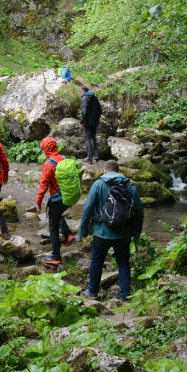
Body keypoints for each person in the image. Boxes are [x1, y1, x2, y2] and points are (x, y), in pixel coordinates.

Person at [78, 160, 144, 300]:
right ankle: (125, 295)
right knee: (123, 262)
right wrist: (136, 231)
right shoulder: (129, 185)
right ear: (118, 171)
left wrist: (83, 230)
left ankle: (92, 292)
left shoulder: (99, 183)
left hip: (102, 232)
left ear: (105, 171)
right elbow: (139, 210)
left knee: (96, 261)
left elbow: (88, 207)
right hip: (124, 233)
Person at [35, 137, 75, 266]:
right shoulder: (64, 158)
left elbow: (43, 185)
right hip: (69, 196)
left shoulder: (48, 164)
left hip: (57, 199)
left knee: (52, 227)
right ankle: (68, 235)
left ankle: (56, 256)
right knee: (56, 215)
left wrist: (38, 202)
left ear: (46, 149)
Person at [79, 86, 102, 163]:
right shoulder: (95, 98)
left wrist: (81, 122)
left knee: (88, 138)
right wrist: (97, 120)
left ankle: (89, 158)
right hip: (94, 122)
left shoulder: (84, 98)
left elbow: (84, 111)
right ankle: (96, 156)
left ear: (83, 91)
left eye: (80, 91)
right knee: (93, 137)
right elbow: (100, 110)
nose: (79, 92)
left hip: (87, 122)